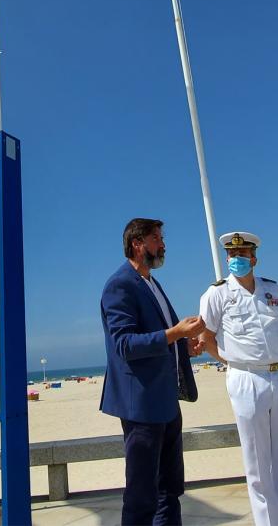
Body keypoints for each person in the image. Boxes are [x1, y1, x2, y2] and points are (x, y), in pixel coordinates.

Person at [100, 218, 205, 525]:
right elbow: (124, 344)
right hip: (141, 406)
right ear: (137, 244)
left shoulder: (151, 283)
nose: (163, 244)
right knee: (141, 495)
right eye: (157, 238)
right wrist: (175, 334)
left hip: (166, 402)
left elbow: (158, 338)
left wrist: (183, 347)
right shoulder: (119, 285)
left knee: (169, 490)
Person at [198, 231, 278, 526]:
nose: (237, 260)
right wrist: (233, 361)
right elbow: (205, 338)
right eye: (232, 256)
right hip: (245, 379)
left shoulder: (273, 289)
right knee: (258, 464)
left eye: (242, 255)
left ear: (254, 258)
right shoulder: (216, 294)